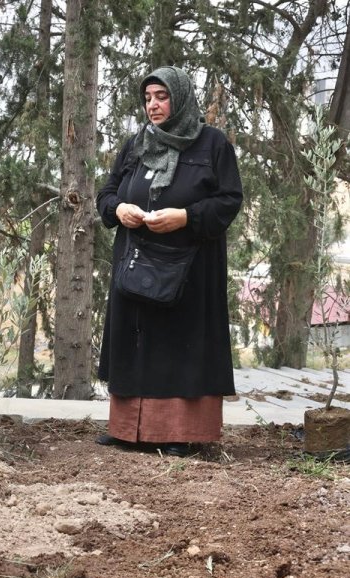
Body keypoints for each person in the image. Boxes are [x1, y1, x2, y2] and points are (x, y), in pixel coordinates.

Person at [95, 66, 243, 457]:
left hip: (188, 265)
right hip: (136, 260)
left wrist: (186, 217)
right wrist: (119, 208)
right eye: (148, 98)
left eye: (161, 96)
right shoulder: (135, 145)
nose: (153, 105)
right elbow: (106, 194)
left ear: (178, 98)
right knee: (135, 339)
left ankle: (179, 432)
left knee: (179, 343)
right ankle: (127, 428)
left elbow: (229, 201)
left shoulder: (211, 144)